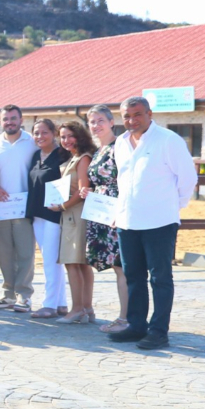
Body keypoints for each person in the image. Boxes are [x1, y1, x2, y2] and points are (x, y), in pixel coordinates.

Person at [108, 96, 197, 350]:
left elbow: (188, 178)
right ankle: (137, 326)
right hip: (128, 221)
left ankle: (158, 331)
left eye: (137, 114)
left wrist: (172, 205)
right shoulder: (121, 143)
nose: (131, 120)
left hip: (160, 222)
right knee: (134, 276)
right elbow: (123, 182)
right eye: (126, 116)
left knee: (160, 278)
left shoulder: (168, 140)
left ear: (149, 113)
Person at [83, 105, 130, 333]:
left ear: (112, 122)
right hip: (100, 212)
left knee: (122, 266)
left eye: (100, 120)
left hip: (117, 212)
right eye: (92, 122)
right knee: (115, 266)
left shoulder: (120, 146)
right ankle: (124, 317)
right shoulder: (99, 150)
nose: (96, 125)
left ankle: (126, 318)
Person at [0, 105, 38, 310]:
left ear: (21, 119)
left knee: (26, 252)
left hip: (25, 208)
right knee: (5, 253)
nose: (10, 122)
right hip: (3, 208)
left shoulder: (32, 142)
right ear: (1, 121)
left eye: (13, 118)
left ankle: (24, 295)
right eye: (5, 119)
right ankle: (8, 294)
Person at [53, 121, 96, 324]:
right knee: (81, 263)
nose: (66, 140)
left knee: (73, 262)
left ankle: (77, 309)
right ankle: (86, 308)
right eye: (62, 137)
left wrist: (62, 206)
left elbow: (82, 191)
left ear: (80, 135)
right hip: (72, 213)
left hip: (75, 214)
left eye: (70, 135)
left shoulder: (83, 159)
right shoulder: (74, 158)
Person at [27, 118, 68, 318]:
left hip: (54, 214)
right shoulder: (36, 155)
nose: (40, 136)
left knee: (51, 261)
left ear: (53, 133)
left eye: (44, 132)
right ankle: (61, 302)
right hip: (37, 214)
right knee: (50, 259)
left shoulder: (62, 155)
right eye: (36, 133)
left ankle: (49, 304)